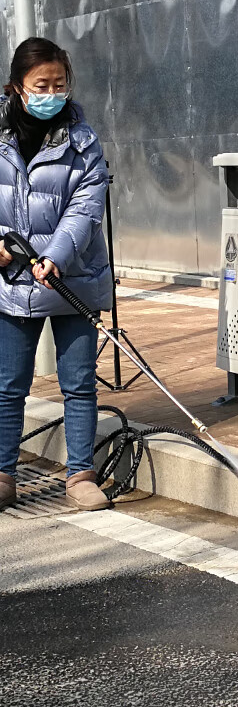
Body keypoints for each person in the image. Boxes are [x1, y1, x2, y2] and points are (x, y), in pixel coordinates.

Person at [0, 37, 112, 511]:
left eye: (59, 84)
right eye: (41, 85)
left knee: (79, 382)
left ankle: (80, 474)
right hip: (11, 283)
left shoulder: (83, 142)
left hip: (74, 278)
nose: (52, 93)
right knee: (7, 385)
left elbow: (86, 210)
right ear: (16, 89)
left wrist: (57, 256)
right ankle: (3, 475)